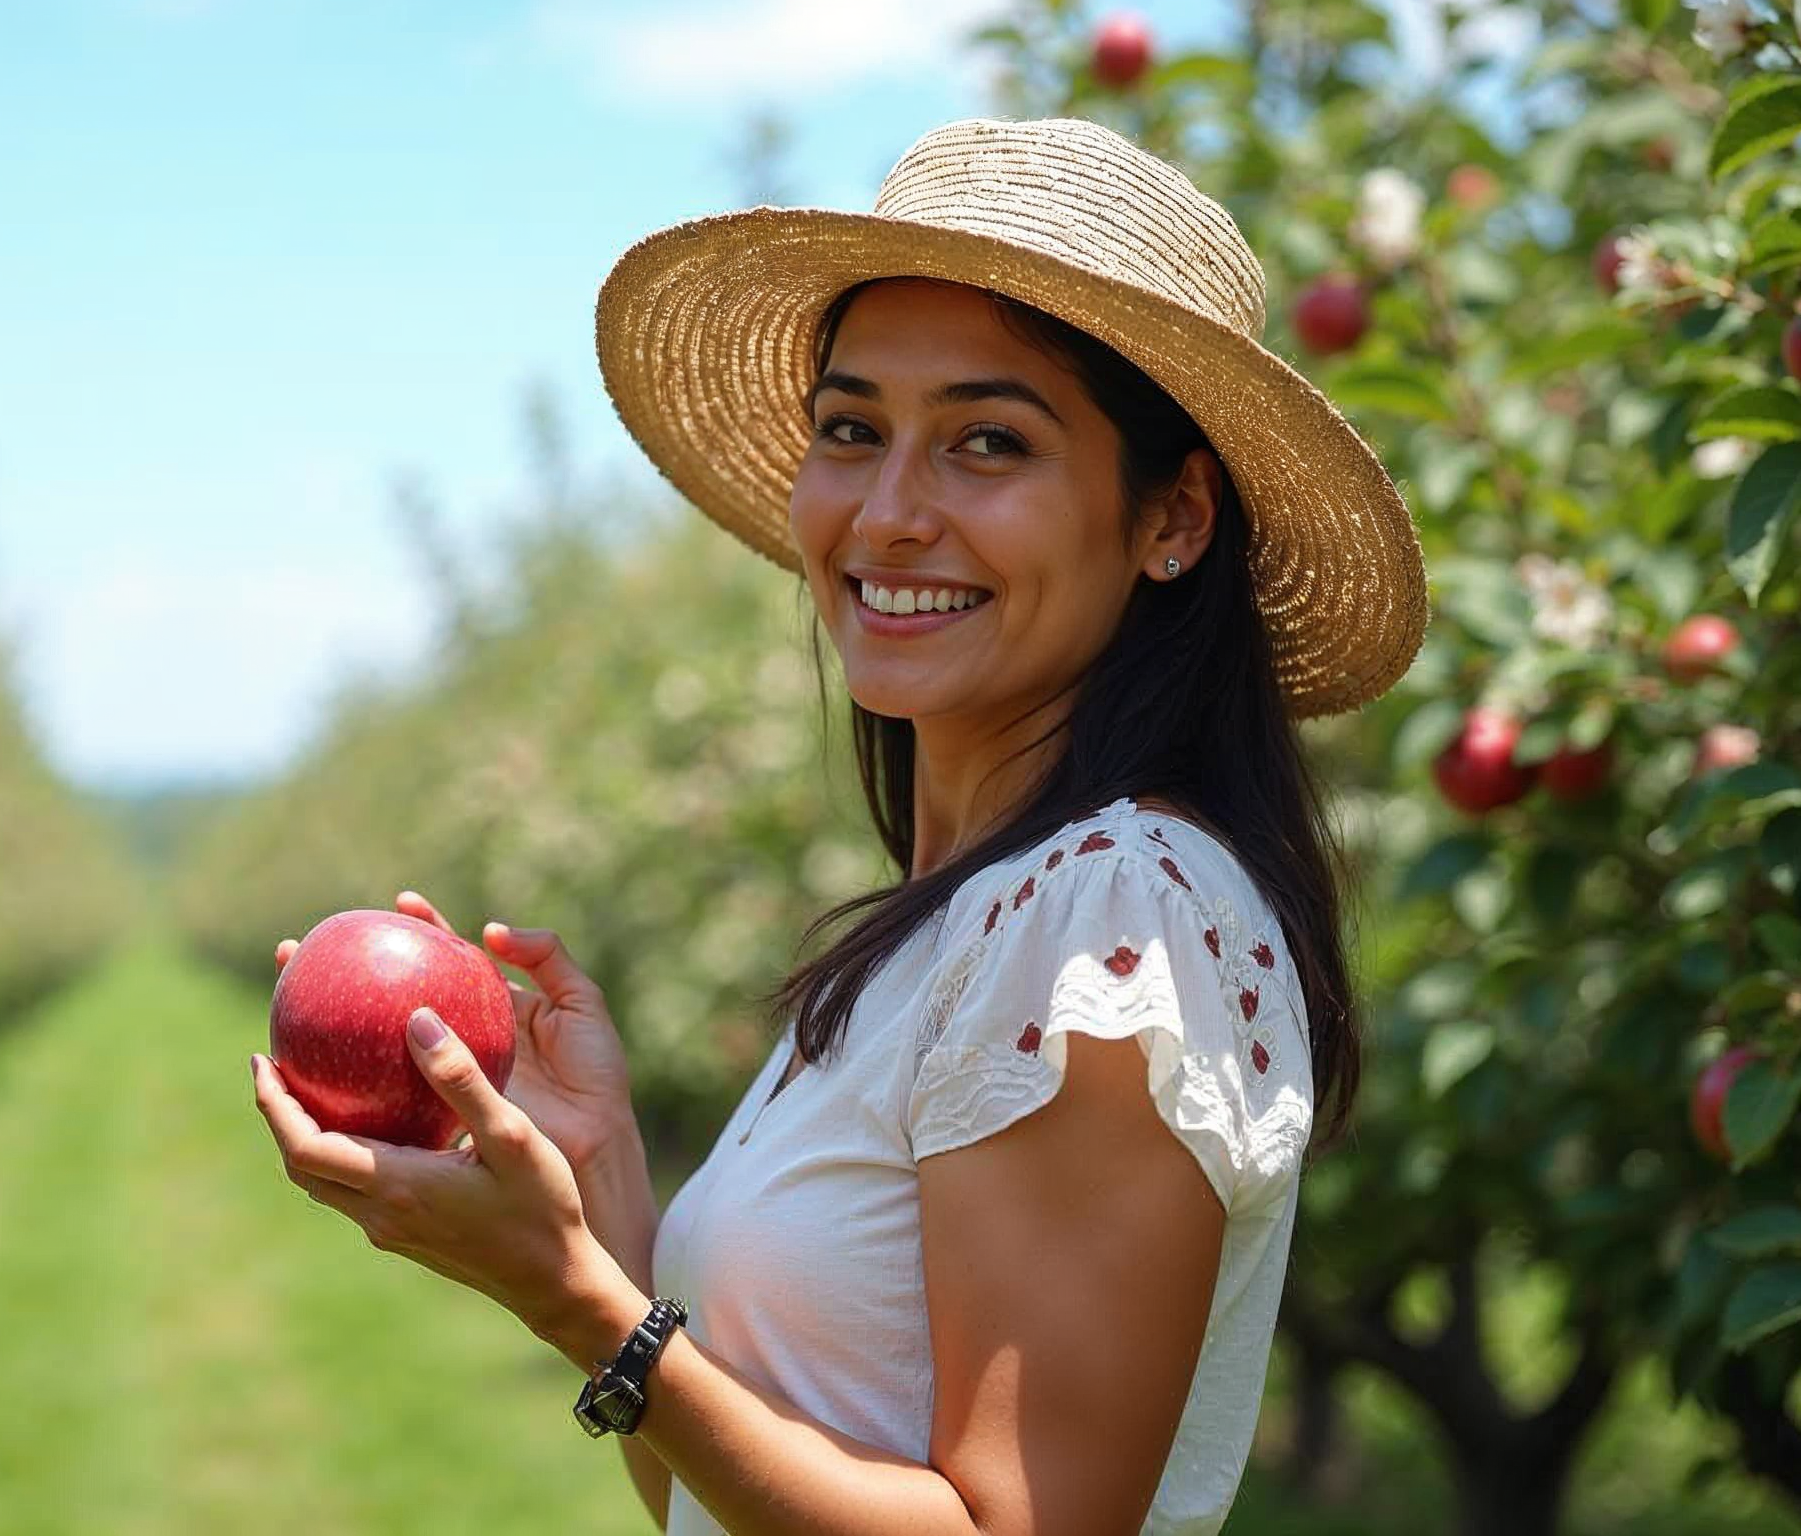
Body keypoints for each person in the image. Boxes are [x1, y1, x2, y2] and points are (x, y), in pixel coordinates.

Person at [249, 114, 1427, 1535]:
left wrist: (575, 1307)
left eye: (988, 442)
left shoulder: (1111, 918)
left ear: (1171, 516)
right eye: (852, 429)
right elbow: (723, 1480)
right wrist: (602, 1189)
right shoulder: (956, 927)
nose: (887, 512)